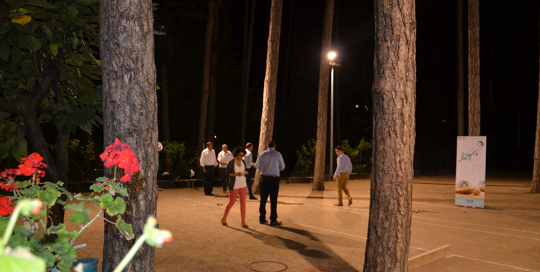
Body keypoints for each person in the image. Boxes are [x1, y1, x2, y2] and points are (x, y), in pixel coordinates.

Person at [254, 140, 285, 226]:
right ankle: (273, 219)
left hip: (264, 179)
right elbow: (282, 167)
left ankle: (262, 218)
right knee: (273, 200)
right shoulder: (278, 154)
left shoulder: (262, 154)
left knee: (263, 199)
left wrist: (265, 167)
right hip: (274, 179)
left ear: (267, 146)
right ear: (274, 146)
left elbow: (257, 166)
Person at [221, 147, 250, 228]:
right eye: (240, 155)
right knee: (232, 202)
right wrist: (236, 174)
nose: (241, 157)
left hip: (243, 185)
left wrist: (245, 173)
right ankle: (224, 217)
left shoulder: (243, 162)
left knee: (243, 203)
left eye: (242, 156)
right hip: (234, 185)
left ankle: (243, 221)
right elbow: (227, 174)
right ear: (236, 154)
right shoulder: (231, 163)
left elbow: (244, 171)